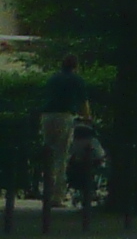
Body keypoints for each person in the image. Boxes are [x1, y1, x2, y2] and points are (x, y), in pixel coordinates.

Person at [35, 56, 86, 209]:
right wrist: (88, 118)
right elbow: (84, 103)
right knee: (61, 155)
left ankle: (45, 191)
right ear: (76, 66)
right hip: (64, 116)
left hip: (47, 116)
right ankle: (57, 196)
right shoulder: (76, 80)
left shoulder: (53, 78)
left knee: (48, 153)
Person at [63, 118, 105, 212]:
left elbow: (69, 154)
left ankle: (81, 194)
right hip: (91, 167)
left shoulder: (73, 142)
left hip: (76, 168)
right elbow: (100, 154)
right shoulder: (92, 141)